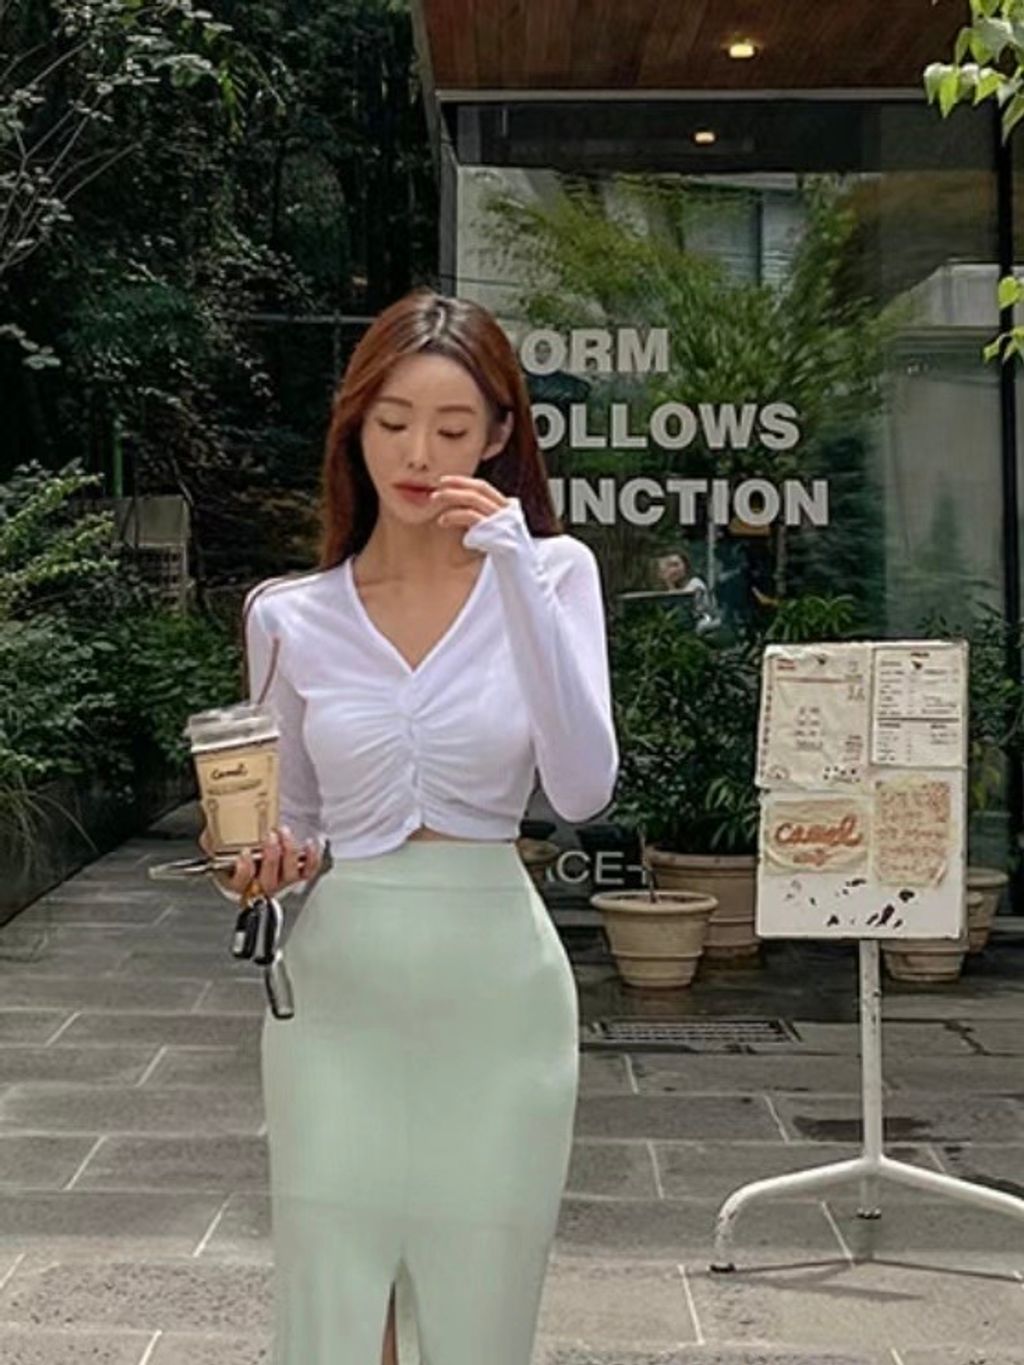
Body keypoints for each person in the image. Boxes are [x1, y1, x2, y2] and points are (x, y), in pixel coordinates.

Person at [198, 287, 619, 1365]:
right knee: (336, 1300)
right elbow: (290, 826)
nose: (418, 454)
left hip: (498, 993)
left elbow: (581, 789)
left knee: (480, 1305)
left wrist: (514, 566)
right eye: (392, 423)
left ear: (500, 437)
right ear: (356, 428)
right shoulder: (289, 614)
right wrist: (252, 864)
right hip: (340, 995)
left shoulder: (554, 574)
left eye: (451, 427)